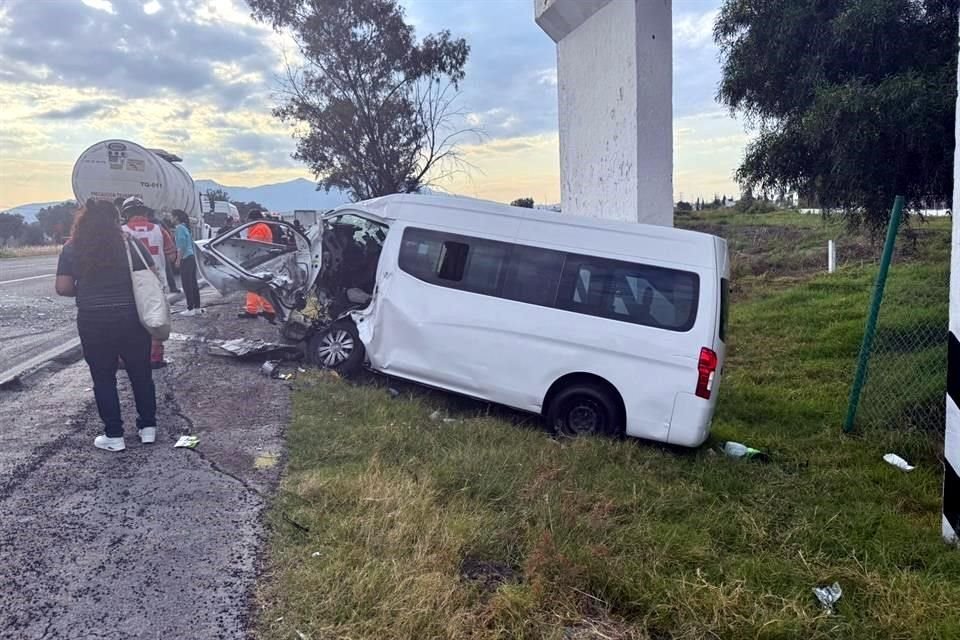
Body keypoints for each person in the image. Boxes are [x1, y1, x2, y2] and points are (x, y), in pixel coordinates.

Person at [55, 199, 158, 452]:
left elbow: (63, 287)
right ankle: (148, 429)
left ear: (84, 220)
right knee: (141, 373)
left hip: (94, 321)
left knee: (103, 377)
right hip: (132, 317)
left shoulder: (72, 248)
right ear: (116, 220)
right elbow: (151, 276)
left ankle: (114, 435)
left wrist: (86, 289)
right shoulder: (130, 243)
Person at [121, 197, 168, 368]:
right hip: (156, 281)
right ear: (145, 212)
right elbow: (171, 254)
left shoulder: (122, 231)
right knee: (155, 319)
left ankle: (130, 357)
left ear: (126, 214)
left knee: (131, 321)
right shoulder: (159, 229)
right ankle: (155, 358)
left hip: (132, 284)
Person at [238, 210, 276, 321]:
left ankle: (252, 310)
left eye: (249, 220)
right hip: (264, 258)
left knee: (253, 285)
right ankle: (269, 310)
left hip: (258, 259)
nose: (247, 222)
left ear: (253, 219)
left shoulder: (259, 227)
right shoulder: (262, 226)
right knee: (263, 286)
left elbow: (253, 244)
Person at [172, 209, 203, 316]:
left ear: (176, 217)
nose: (171, 219)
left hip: (186, 258)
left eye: (172, 216)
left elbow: (181, 246)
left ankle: (190, 308)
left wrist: (178, 260)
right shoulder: (185, 227)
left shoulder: (179, 228)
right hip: (191, 257)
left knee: (186, 284)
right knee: (193, 283)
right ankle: (197, 307)